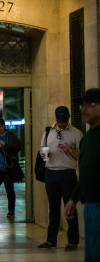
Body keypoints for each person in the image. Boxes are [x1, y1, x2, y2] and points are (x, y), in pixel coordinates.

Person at [66, 88, 100, 262]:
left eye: (89, 104)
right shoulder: (87, 139)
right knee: (92, 255)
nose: (83, 109)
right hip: (89, 204)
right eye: (82, 105)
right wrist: (72, 198)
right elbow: (85, 171)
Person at [37, 106, 82, 251]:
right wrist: (44, 155)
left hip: (67, 173)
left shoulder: (76, 133)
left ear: (68, 117)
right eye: (59, 120)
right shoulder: (48, 131)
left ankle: (72, 241)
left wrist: (70, 149)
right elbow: (41, 149)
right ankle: (51, 240)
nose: (62, 123)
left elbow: (81, 157)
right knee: (53, 208)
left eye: (64, 120)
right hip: (51, 173)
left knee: (70, 208)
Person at [0, 118, 22, 219]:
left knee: (9, 190)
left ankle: (11, 210)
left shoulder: (11, 136)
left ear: (4, 126)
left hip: (8, 168)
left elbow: (18, 146)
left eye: (1, 127)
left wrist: (6, 145)